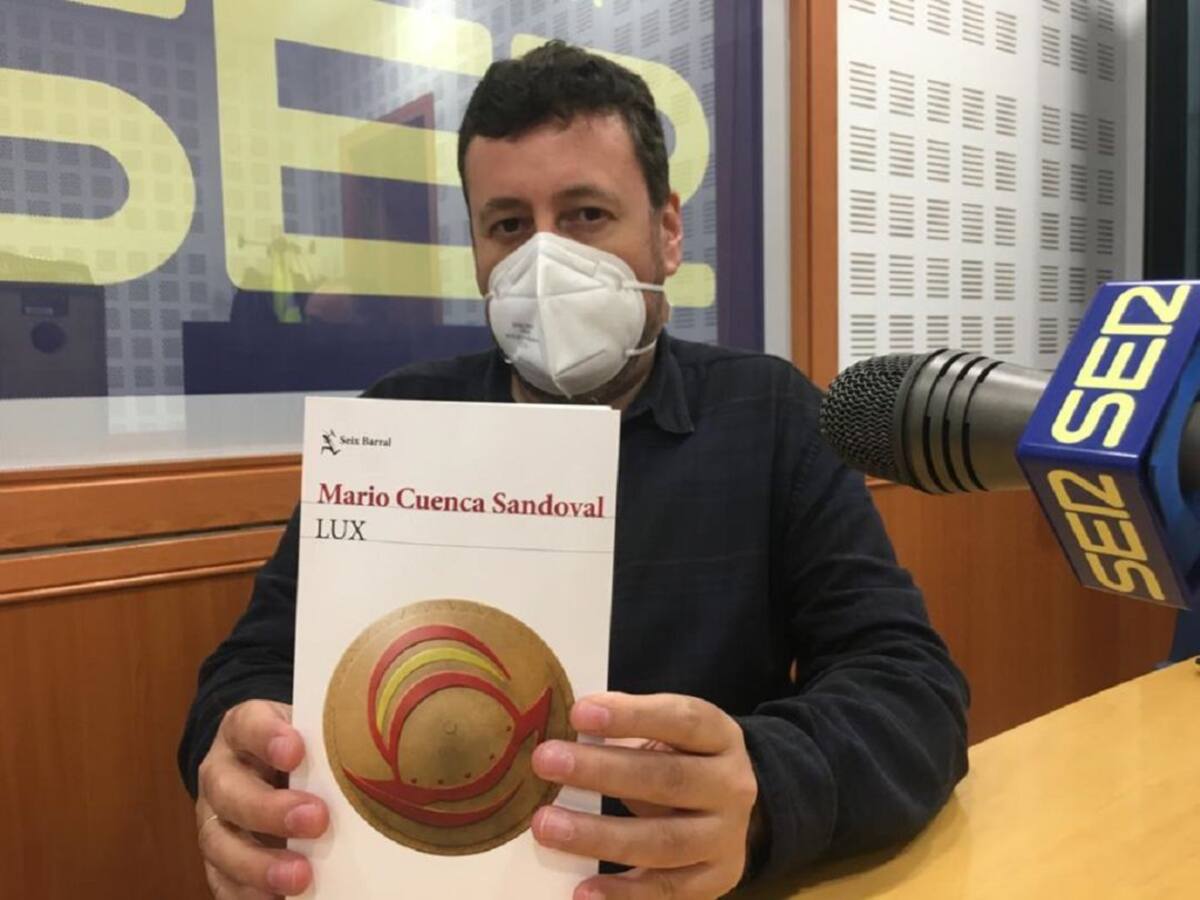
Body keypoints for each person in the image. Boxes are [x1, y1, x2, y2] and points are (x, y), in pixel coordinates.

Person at [179, 41, 969, 900]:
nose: (544, 263)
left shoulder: (770, 416)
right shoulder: (398, 423)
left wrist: (764, 792)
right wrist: (240, 755)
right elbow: (256, 665)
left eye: (587, 214)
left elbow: (910, 688)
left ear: (667, 232)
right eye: (509, 226)